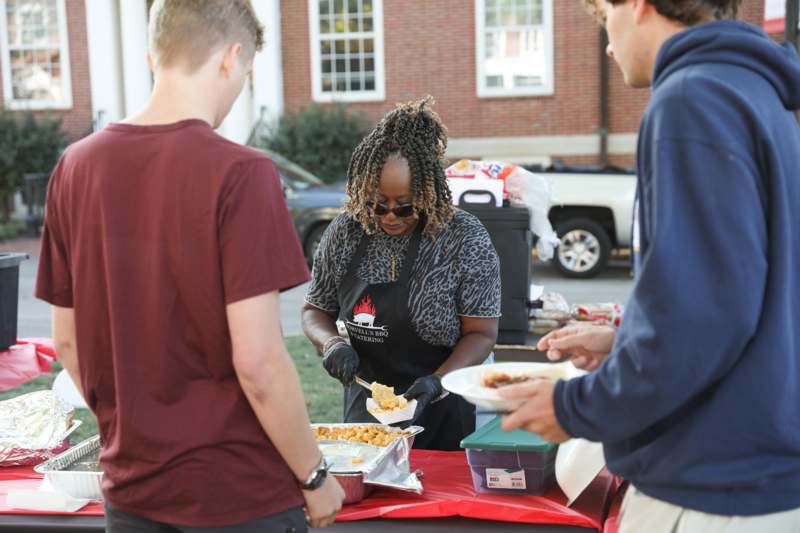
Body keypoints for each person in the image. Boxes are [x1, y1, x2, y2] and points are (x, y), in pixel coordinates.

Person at [35, 1, 344, 531]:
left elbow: (67, 343)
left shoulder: (74, 167)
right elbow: (260, 363)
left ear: (155, 54)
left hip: (132, 491)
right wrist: (314, 476)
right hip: (238, 495)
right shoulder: (243, 173)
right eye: (245, 74)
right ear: (232, 58)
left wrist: (127, 430)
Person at [499, 1, 800, 532]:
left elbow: (705, 320)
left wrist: (574, 408)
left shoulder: (690, 99)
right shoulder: (756, 94)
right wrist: (624, 337)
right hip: (758, 473)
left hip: (712, 491)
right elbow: (747, 291)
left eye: (603, 15)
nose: (609, 45)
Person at [301, 97, 501, 451]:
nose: (390, 216)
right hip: (367, 410)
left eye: (405, 206)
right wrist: (331, 344)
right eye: (377, 204)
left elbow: (482, 333)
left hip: (443, 408)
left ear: (428, 194)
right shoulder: (345, 232)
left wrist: (438, 382)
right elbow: (315, 310)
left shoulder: (464, 238)